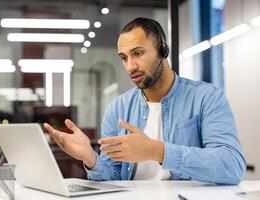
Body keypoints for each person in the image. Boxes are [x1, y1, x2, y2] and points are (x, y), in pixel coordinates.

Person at [44, 17, 246, 184]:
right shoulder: (117, 109)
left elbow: (232, 166)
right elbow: (113, 177)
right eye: (124, 58)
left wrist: (157, 151)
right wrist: (89, 156)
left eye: (138, 53)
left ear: (163, 50)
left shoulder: (206, 98)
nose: (130, 66)